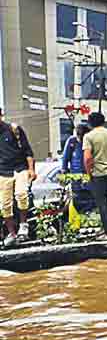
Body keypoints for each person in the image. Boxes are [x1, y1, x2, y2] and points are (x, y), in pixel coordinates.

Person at [0, 105, 36, 247]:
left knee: (22, 195)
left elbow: (28, 151)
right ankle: (11, 234)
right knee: (5, 205)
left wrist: (31, 170)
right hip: (2, 172)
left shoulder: (14, 129)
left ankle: (23, 226)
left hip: (19, 168)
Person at [61, 123, 95, 214]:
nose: (80, 138)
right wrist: (63, 171)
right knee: (77, 198)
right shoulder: (72, 141)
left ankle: (88, 215)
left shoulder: (90, 141)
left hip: (89, 174)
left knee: (90, 198)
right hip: (76, 175)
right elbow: (65, 158)